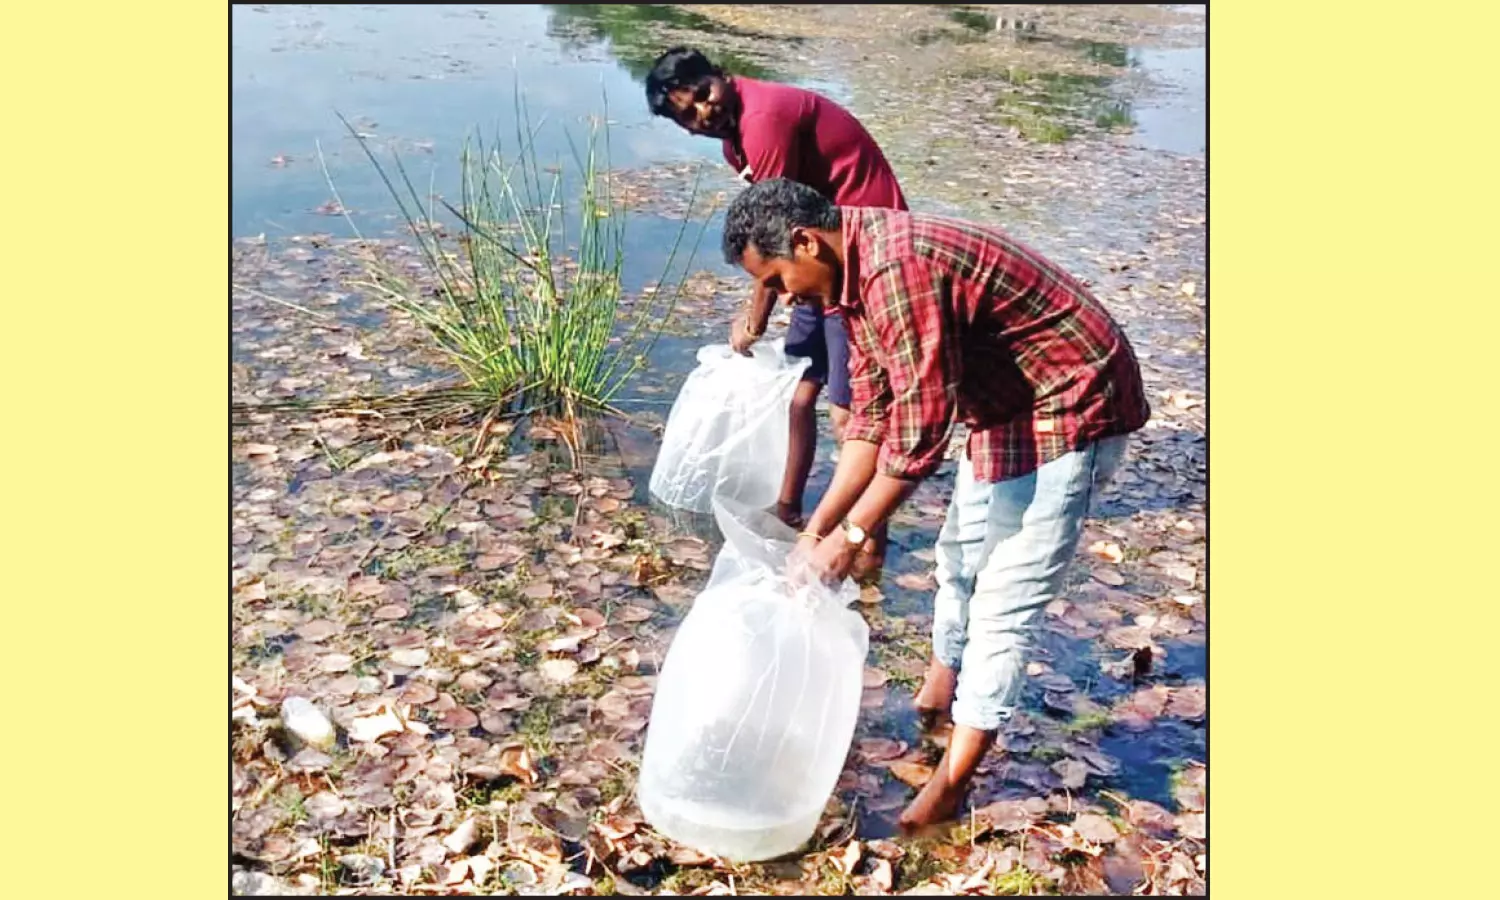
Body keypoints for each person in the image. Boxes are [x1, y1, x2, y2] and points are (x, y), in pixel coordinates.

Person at [719, 178, 1151, 830]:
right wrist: (817, 531)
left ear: (806, 241)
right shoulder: (846, 283)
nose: (780, 298)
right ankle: (939, 695)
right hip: (1000, 403)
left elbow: (919, 439)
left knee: (1005, 600)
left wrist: (852, 538)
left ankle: (949, 788)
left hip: (1071, 400)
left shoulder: (896, 269)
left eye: (776, 280)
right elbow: (872, 421)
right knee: (959, 559)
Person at [645, 47, 906, 581]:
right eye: (688, 114)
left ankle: (869, 544)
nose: (704, 112)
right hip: (816, 255)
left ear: (721, 76)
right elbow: (779, 237)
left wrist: (754, 319)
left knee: (850, 412)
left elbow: (771, 233)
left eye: (704, 94)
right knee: (799, 392)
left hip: (856, 255)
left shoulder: (765, 119)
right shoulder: (735, 140)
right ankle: (788, 508)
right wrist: (782, 289)